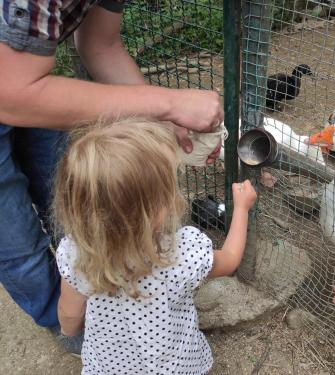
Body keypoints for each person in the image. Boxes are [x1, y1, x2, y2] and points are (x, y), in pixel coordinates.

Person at [0, 0, 223, 354]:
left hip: (25, 77)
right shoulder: (187, 250)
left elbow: (100, 44)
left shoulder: (78, 255)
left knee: (62, 186)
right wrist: (169, 105)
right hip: (17, 86)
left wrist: (166, 118)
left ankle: (97, 300)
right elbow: (11, 95)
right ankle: (72, 327)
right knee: (14, 238)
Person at [52, 118, 256, 373]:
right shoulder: (181, 253)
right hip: (175, 365)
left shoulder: (76, 253)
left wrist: (68, 330)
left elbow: (70, 314)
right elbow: (230, 258)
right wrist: (241, 208)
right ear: (157, 209)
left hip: (112, 365)